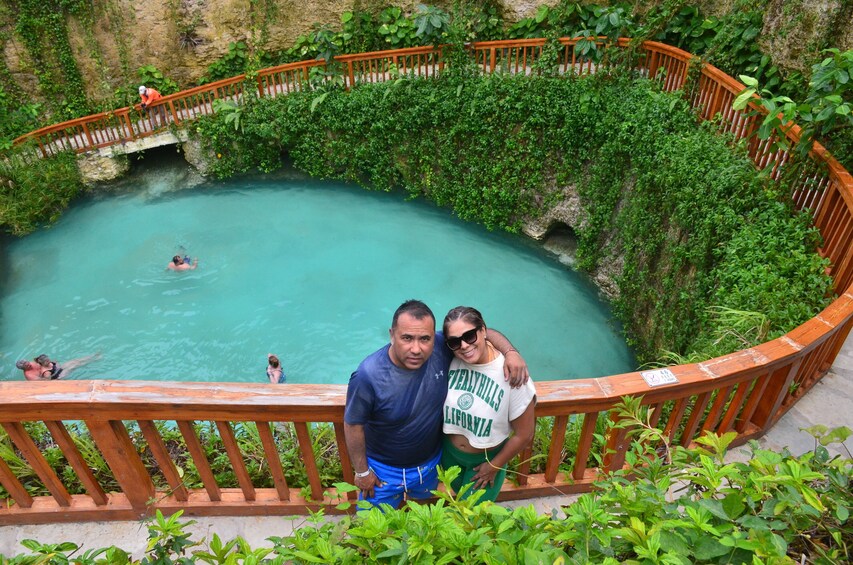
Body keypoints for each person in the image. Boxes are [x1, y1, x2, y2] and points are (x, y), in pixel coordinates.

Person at [344, 299, 529, 509]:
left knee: (424, 515)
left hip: (429, 464)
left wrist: (511, 352)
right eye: (406, 338)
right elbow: (353, 424)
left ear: (434, 338)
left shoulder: (444, 346)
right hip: (383, 469)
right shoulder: (368, 375)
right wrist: (362, 471)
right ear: (392, 335)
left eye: (425, 339)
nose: (416, 348)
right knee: (373, 526)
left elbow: (481, 333)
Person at [441, 306, 536, 503]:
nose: (464, 345)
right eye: (455, 341)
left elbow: (524, 434)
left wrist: (494, 466)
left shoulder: (512, 373)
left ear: (483, 331)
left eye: (470, 336)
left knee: (469, 522)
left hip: (485, 461)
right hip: (448, 455)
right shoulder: (451, 357)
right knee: (454, 511)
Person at [16, 353, 101, 381]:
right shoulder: (30, 375)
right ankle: (92, 360)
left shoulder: (33, 362)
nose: (30, 364)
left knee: (75, 361)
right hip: (55, 376)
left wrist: (52, 364)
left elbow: (41, 361)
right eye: (27, 365)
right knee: (73, 366)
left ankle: (93, 357)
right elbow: (44, 382)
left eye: (28, 363)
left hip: (53, 368)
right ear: (24, 368)